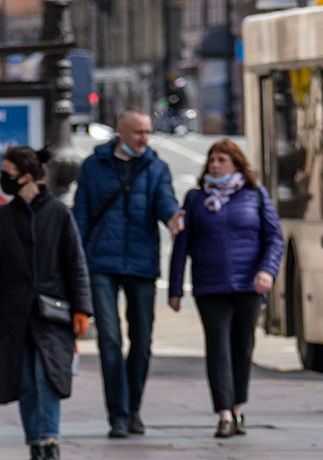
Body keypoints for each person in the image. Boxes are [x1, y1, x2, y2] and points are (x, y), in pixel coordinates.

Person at [0, 146, 93, 460]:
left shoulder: (59, 214)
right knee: (23, 378)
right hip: (13, 313)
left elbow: (76, 266)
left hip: (52, 314)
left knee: (47, 376)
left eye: (7, 173)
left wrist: (82, 309)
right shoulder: (2, 217)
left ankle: (51, 441)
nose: (2, 179)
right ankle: (35, 445)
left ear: (26, 176)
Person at [73, 107, 183, 438]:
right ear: (120, 130)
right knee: (109, 339)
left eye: (148, 132)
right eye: (138, 132)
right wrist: (74, 261)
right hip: (101, 262)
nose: (144, 139)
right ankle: (118, 416)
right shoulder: (93, 166)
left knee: (142, 342)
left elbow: (165, 202)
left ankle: (134, 407)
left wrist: (174, 217)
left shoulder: (156, 167)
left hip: (141, 262)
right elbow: (80, 215)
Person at [168, 139, 285, 437]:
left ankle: (237, 407)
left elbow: (274, 238)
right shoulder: (195, 199)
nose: (215, 165)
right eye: (212, 160)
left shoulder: (255, 195)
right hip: (210, 286)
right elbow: (182, 245)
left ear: (236, 165)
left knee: (242, 347)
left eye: (222, 160)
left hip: (249, 285)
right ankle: (223, 413)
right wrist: (175, 288)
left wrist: (267, 271)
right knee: (217, 346)